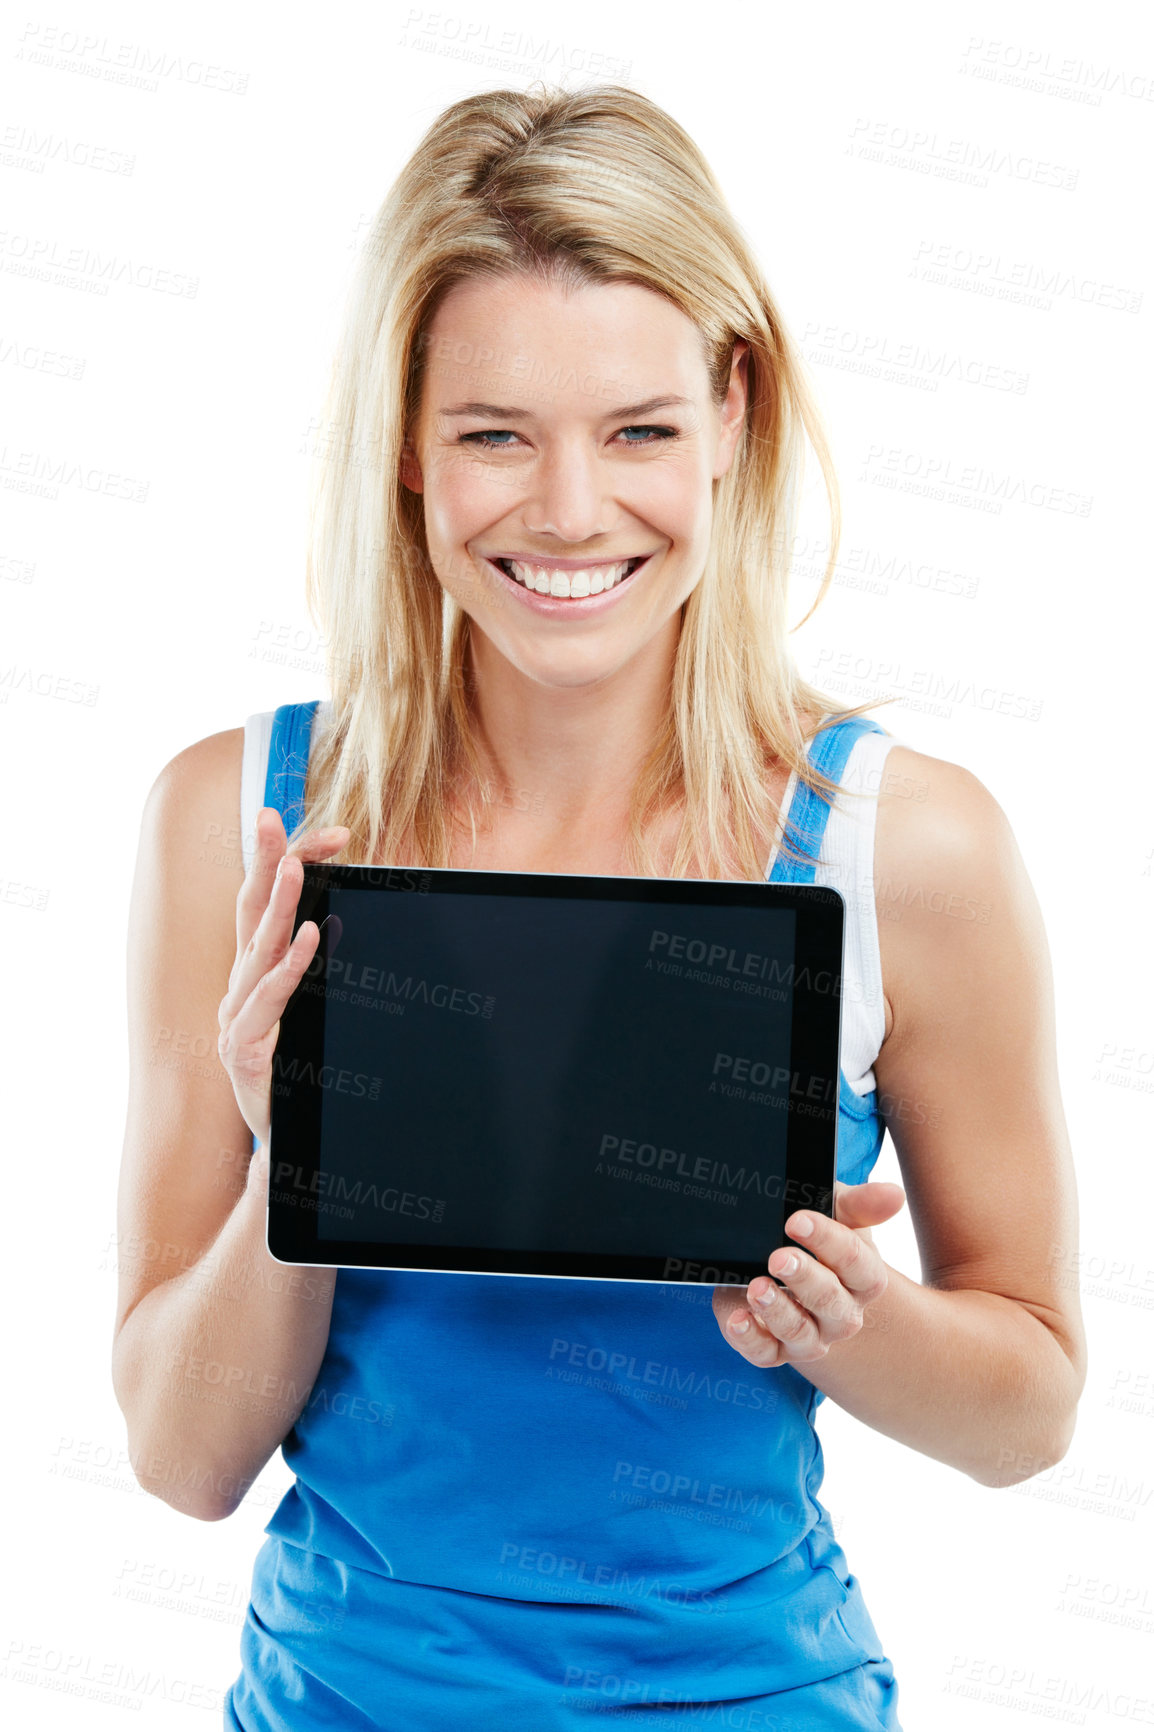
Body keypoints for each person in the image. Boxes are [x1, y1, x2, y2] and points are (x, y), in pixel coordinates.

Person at [112, 83, 1087, 1731]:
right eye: (494, 433)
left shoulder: (901, 848)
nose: (568, 510)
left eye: (637, 430)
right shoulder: (239, 821)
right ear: (407, 452)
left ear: (732, 414)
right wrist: (298, 1160)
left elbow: (1027, 1413)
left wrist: (849, 1324)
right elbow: (177, 1458)